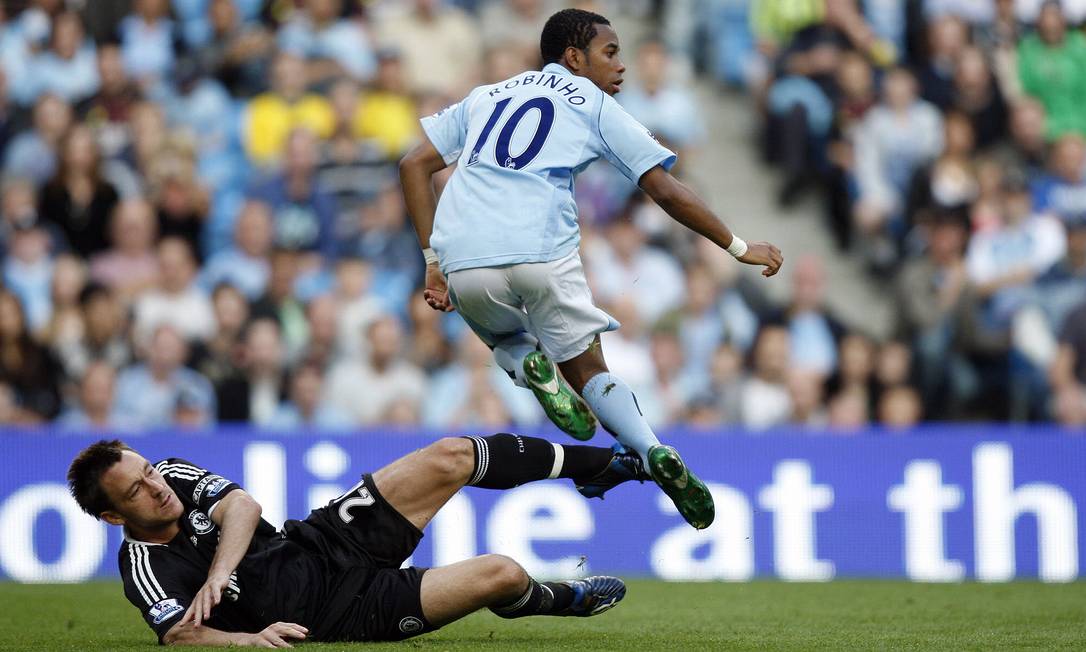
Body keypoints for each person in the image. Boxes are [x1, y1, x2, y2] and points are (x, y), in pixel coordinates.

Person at [399, 8, 783, 530]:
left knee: (504, 339)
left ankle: (526, 365)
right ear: (574, 57)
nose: (620, 65)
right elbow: (665, 190)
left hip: (463, 254)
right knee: (589, 369)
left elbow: (413, 164)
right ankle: (651, 450)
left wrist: (431, 261)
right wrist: (738, 246)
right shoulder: (596, 107)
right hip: (540, 251)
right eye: (610, 52)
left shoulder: (487, 94)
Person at [67, 434, 646, 645]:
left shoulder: (172, 474)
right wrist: (247, 641)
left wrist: (219, 574)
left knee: (450, 455)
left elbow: (242, 505)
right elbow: (178, 634)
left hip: (323, 538)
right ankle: (561, 601)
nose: (156, 487)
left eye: (147, 472)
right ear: (115, 517)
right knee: (503, 573)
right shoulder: (143, 564)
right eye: (138, 490)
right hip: (343, 612)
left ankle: (602, 465)